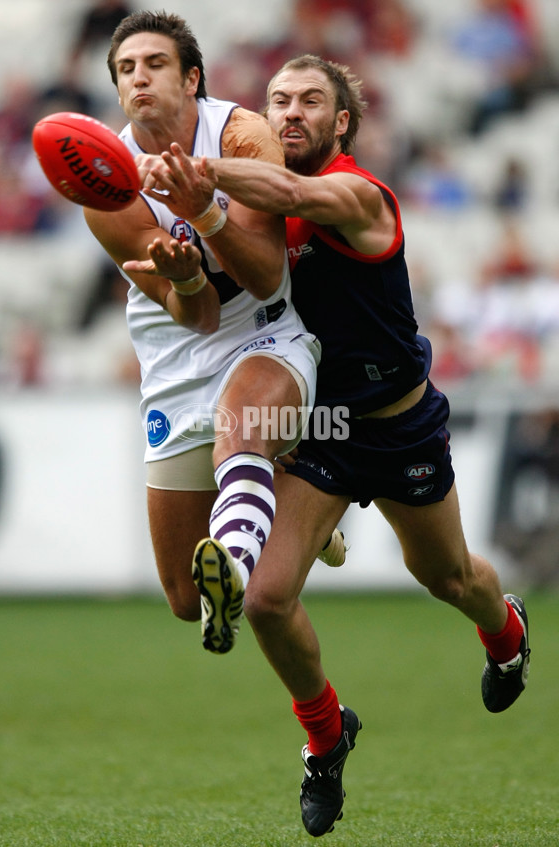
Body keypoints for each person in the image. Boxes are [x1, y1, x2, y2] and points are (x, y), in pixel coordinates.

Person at [137, 54, 532, 837]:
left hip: (397, 422)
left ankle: (507, 632)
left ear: (340, 121)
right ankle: (325, 735)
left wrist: (196, 171)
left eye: (310, 102)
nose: (289, 113)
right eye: (277, 100)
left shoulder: (356, 192)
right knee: (264, 598)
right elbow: (215, 298)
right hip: (320, 425)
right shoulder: (255, 212)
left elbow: (288, 191)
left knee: (448, 577)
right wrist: (171, 261)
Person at [84, 11, 340, 662]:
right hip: (178, 353)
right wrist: (186, 280)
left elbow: (262, 275)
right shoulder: (105, 184)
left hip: (264, 331)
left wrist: (203, 208)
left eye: (155, 63)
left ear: (192, 78)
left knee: (242, 422)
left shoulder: (242, 135)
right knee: (180, 597)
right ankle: (292, 505)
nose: (138, 76)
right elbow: (192, 315)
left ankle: (235, 556)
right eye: (125, 69)